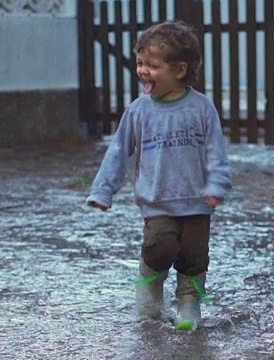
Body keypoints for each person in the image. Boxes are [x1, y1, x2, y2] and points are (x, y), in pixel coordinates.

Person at [85, 20, 232, 331]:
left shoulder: (202, 109)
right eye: (140, 63)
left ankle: (189, 303)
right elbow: (118, 152)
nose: (142, 71)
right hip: (157, 202)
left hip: (197, 202)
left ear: (179, 70)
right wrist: (103, 191)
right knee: (159, 247)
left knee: (194, 257)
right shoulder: (139, 111)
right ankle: (150, 294)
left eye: (152, 65)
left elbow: (216, 151)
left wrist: (217, 184)